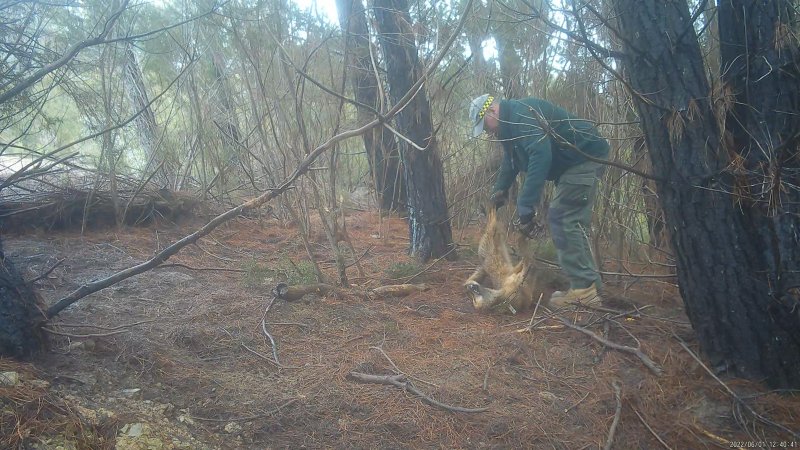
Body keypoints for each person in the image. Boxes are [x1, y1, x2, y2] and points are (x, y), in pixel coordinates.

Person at [468, 94, 610, 308]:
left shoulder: (520, 116)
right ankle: (590, 287)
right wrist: (499, 191)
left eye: (484, 125)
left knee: (562, 218)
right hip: (576, 163)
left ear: (492, 111)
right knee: (569, 220)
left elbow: (540, 155)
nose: (487, 132)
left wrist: (526, 203)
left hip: (584, 158)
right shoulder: (510, 128)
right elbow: (511, 161)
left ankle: (584, 293)